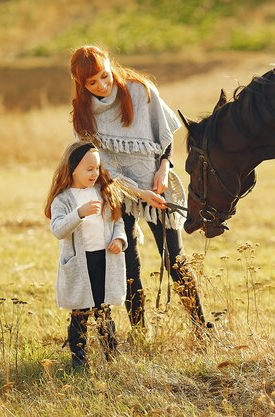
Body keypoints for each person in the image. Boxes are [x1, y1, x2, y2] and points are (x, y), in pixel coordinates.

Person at [68, 45, 210, 332]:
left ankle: (202, 327)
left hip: (157, 185)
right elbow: (101, 168)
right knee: (129, 266)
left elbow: (165, 134)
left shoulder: (139, 90)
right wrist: (137, 193)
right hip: (119, 192)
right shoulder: (83, 115)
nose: (102, 86)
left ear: (110, 65)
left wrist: (164, 167)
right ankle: (140, 332)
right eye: (92, 82)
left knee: (175, 260)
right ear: (81, 84)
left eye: (104, 76)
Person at [45, 141, 127, 369]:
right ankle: (79, 359)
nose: (94, 174)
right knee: (80, 312)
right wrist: (78, 213)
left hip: (104, 259)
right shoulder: (63, 200)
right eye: (88, 169)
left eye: (97, 168)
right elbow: (58, 230)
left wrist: (119, 239)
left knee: (104, 310)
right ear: (72, 169)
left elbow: (117, 222)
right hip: (81, 264)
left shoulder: (104, 192)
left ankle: (112, 355)